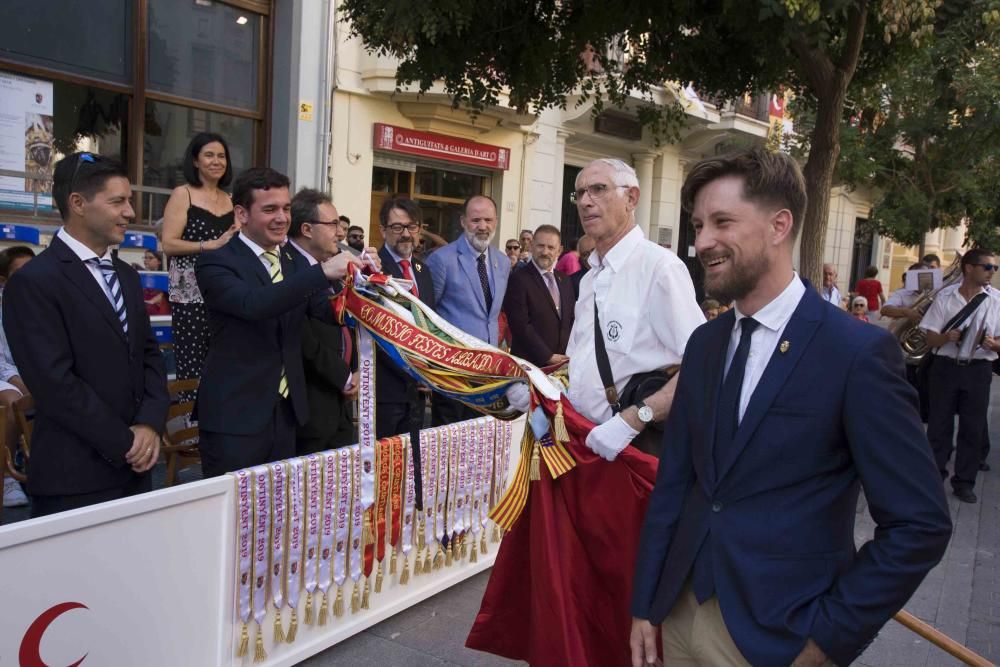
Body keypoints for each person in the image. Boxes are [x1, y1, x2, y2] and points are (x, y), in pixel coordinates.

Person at [630, 148, 951, 667]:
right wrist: (646, 603)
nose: (701, 241)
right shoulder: (705, 345)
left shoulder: (856, 353)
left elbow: (920, 524)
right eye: (697, 224)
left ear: (780, 226)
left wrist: (826, 642)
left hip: (778, 635)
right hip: (678, 616)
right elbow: (676, 485)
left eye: (721, 222)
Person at [4, 152, 171, 517]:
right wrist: (126, 441)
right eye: (118, 202)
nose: (131, 212)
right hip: (74, 479)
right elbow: (54, 384)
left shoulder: (127, 276)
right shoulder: (34, 282)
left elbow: (149, 357)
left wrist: (149, 423)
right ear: (77, 203)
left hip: (136, 471)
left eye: (130, 201)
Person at [194, 168, 374, 477]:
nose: (281, 217)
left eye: (286, 208)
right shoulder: (217, 260)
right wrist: (321, 272)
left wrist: (365, 286)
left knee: (283, 516)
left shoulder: (291, 262)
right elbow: (253, 305)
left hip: (288, 417)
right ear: (241, 214)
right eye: (270, 209)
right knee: (237, 518)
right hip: (236, 418)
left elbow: (326, 311)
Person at [568, 158, 703, 457]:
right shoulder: (591, 278)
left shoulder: (660, 268)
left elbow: (703, 365)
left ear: (631, 198)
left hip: (633, 452)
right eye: (580, 193)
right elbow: (577, 361)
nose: (586, 201)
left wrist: (634, 419)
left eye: (599, 189)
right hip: (583, 446)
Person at [920, 248, 1000, 504]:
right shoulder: (945, 297)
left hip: (978, 369)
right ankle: (933, 479)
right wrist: (947, 337)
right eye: (988, 267)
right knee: (939, 425)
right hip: (945, 367)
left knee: (972, 427)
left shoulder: (996, 300)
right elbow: (930, 338)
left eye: (995, 268)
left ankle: (964, 482)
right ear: (969, 268)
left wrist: (993, 345)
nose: (992, 272)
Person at [161, 132, 239, 397]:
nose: (216, 161)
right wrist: (209, 245)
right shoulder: (183, 194)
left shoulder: (230, 199)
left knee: (224, 363)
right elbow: (168, 244)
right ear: (195, 161)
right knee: (192, 369)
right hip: (190, 296)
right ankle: (189, 435)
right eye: (209, 155)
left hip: (225, 293)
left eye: (221, 156)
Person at [425, 194, 511, 425]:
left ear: (496, 221)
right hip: (452, 371)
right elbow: (427, 314)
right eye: (475, 220)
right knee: (448, 439)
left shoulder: (503, 262)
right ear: (463, 222)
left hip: (488, 372)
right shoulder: (441, 260)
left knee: (479, 439)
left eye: (488, 220)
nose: (482, 226)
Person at [286, 188, 357, 454]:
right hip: (312, 400)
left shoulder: (330, 264)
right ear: (306, 229)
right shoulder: (290, 268)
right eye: (332, 224)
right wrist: (345, 375)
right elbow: (303, 336)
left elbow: (345, 321)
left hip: (340, 398)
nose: (340, 232)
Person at [375, 197, 436, 439]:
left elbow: (429, 325)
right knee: (384, 465)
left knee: (411, 465)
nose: (406, 234)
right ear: (383, 230)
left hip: (418, 389)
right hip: (386, 390)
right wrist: (412, 369)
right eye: (397, 227)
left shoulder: (423, 270)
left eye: (412, 227)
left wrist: (428, 371)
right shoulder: (373, 270)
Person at [502, 224, 575, 367]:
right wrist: (547, 356)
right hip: (530, 366)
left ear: (559, 250)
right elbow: (520, 325)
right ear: (531, 246)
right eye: (540, 246)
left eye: (551, 247)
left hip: (562, 365)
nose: (545, 252)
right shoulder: (518, 279)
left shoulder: (565, 280)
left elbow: (571, 320)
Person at [0, 246, 35, 508]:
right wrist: (18, 380)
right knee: (15, 401)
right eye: (20, 272)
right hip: (5, 374)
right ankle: (7, 475)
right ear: (4, 280)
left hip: (32, 372)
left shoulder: (44, 301)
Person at [141, 249, 170, 316]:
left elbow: (164, 295)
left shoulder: (165, 276)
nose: (146, 260)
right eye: (145, 258)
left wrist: (152, 301)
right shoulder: (142, 276)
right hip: (145, 307)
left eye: (150, 258)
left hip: (159, 309)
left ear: (159, 261)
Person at [571, 234, 596, 298]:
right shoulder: (573, 282)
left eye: (593, 250)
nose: (591, 256)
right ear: (581, 259)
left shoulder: (614, 273)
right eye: (585, 254)